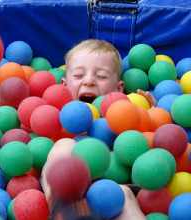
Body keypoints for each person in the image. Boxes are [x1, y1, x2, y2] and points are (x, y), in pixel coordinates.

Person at [41, 39, 149, 219]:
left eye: (101, 76)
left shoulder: (125, 112)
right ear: (64, 86)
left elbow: (143, 136)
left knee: (123, 194)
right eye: (78, 75)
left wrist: (148, 111)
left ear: (119, 88)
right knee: (64, 145)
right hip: (69, 183)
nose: (89, 80)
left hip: (113, 182)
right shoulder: (61, 114)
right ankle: (65, 208)